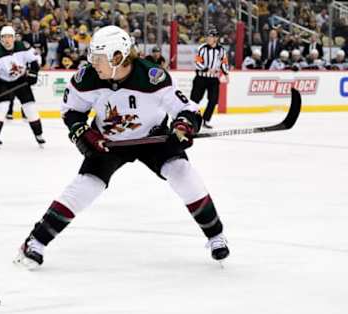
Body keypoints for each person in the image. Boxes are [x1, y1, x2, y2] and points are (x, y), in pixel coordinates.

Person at [13, 25, 230, 270]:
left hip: (153, 137)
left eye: (98, 58)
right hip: (109, 142)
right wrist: (84, 134)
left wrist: (183, 126)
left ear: (118, 57)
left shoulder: (152, 77)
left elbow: (188, 110)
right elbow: (71, 111)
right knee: (85, 186)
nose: (92, 62)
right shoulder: (87, 78)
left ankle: (215, 236)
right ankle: (36, 242)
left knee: (182, 173)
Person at [0, 26, 44, 149]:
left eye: (9, 37)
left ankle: (38, 135)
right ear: (0, 39)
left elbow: (36, 60)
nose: (7, 40)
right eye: (4, 37)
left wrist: (33, 73)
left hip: (20, 80)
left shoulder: (23, 46)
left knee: (30, 108)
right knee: (2, 108)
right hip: (3, 82)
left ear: (14, 38)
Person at [190, 28, 229, 129]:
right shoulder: (202, 48)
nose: (208, 38)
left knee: (213, 100)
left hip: (213, 80)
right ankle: (190, 119)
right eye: (207, 36)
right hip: (200, 78)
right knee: (195, 100)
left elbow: (224, 63)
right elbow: (197, 62)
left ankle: (205, 120)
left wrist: (226, 74)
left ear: (216, 38)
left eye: (210, 36)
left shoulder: (221, 50)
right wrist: (206, 69)